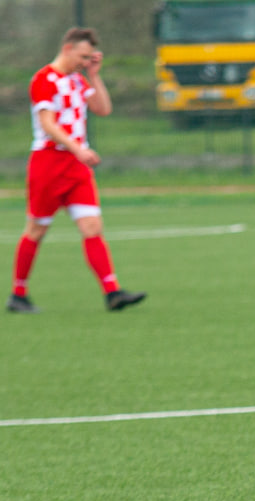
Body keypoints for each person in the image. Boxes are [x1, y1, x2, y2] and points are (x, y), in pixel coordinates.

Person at [6, 27, 145, 314]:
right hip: (48, 163)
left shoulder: (79, 81)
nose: (85, 61)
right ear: (67, 48)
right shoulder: (44, 79)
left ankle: (112, 293)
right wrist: (77, 148)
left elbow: (103, 109)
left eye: (89, 57)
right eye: (83, 56)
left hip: (76, 167)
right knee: (36, 229)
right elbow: (48, 124)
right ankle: (18, 295)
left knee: (92, 227)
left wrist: (94, 74)